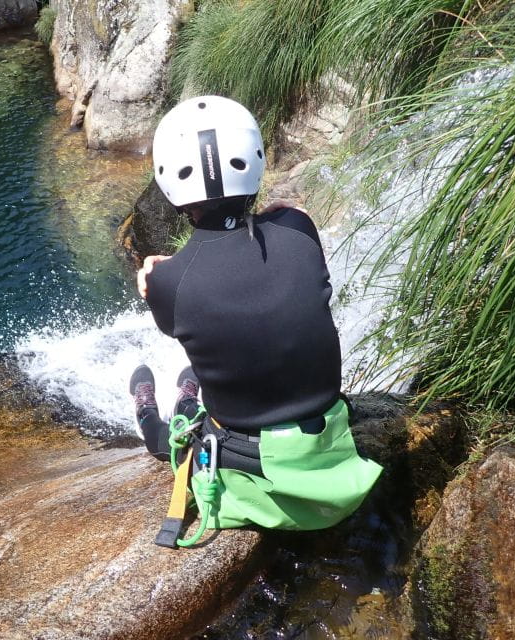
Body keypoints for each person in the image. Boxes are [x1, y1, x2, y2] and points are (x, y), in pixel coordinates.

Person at [130, 95, 382, 544]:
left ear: (169, 186)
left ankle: (150, 404)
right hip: (328, 446)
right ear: (256, 160)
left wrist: (159, 274)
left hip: (253, 461)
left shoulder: (168, 282)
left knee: (166, 434)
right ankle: (190, 392)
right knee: (214, 386)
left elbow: (191, 315)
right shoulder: (299, 229)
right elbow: (272, 240)